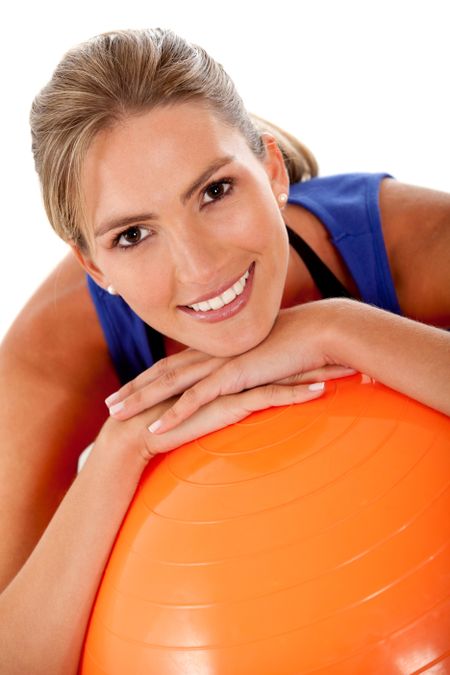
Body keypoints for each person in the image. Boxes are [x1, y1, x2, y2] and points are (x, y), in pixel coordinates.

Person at [0, 27, 448, 674]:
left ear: (270, 169)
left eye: (214, 191)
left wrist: (340, 329)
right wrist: (124, 449)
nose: (200, 266)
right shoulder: (49, 354)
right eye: (132, 234)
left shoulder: (414, 240)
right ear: (91, 263)